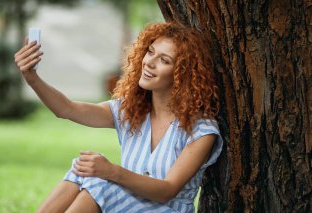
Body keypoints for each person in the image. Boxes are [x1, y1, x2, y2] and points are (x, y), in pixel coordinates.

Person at [14, 21, 223, 213]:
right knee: (83, 167)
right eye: (150, 52)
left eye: (164, 60)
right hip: (126, 203)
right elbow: (67, 109)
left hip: (167, 209)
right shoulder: (131, 110)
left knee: (99, 182)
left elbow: (167, 190)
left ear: (182, 74)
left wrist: (112, 171)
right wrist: (33, 79)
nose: (149, 62)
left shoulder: (201, 130)